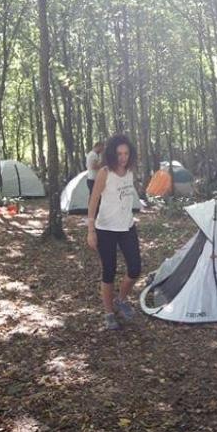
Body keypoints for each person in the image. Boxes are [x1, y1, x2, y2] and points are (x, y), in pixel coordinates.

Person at [87, 134, 141, 330]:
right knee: (108, 272)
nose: (123, 157)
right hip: (106, 229)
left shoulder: (130, 171)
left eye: (126, 153)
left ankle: (121, 299)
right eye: (119, 153)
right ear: (112, 153)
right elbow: (93, 201)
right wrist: (91, 230)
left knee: (135, 268)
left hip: (126, 227)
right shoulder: (105, 172)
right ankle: (109, 313)